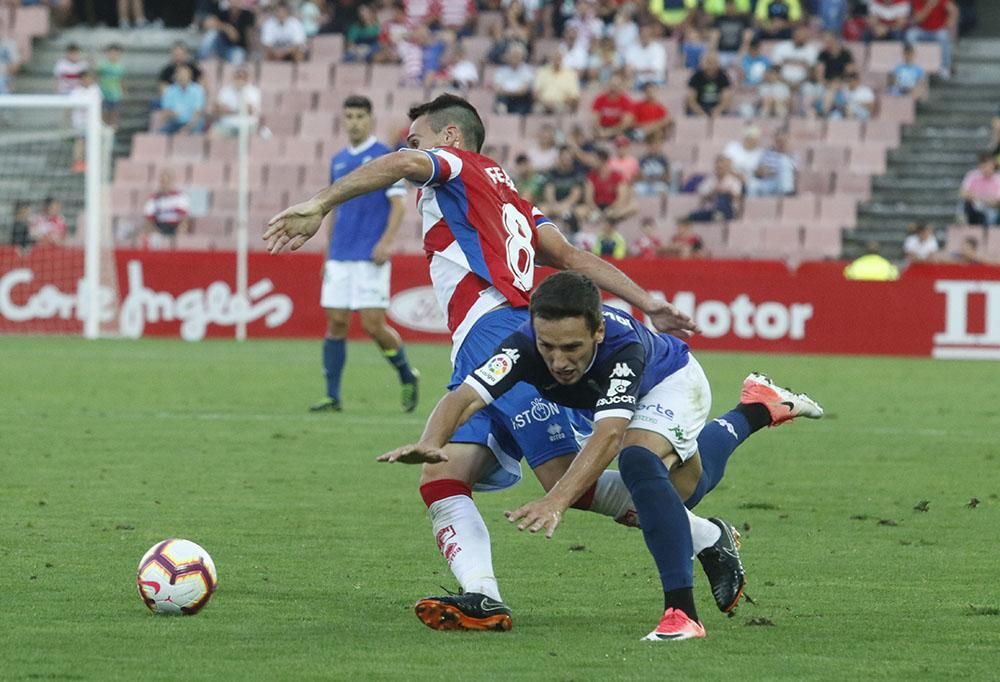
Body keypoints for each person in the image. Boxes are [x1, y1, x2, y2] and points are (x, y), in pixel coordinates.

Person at [265, 93, 750, 632]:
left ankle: (707, 537)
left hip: (499, 332)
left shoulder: (457, 166)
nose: (410, 148)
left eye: (418, 137)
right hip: (480, 336)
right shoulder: (510, 197)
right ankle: (482, 595)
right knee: (441, 474)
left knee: (567, 482)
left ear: (449, 138)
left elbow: (401, 164)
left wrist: (319, 204)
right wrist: (647, 300)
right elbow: (569, 258)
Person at [378, 271, 823, 640]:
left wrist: (556, 500)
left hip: (671, 383)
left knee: (638, 462)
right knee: (679, 495)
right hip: (620, 404)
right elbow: (466, 396)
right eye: (548, 346)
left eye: (572, 348)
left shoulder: (623, 349)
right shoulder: (521, 345)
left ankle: (681, 614)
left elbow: (608, 436)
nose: (558, 361)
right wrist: (433, 440)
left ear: (598, 330)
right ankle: (757, 410)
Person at [311, 95, 418, 414]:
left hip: (370, 254)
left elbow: (399, 204)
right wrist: (328, 252)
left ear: (370, 120)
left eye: (359, 116)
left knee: (373, 325)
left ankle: (406, 373)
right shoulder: (338, 160)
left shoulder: (385, 157)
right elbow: (331, 206)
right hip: (341, 254)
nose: (354, 121)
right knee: (336, 323)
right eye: (349, 115)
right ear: (343, 120)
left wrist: (386, 242)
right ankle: (332, 396)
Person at [905, 0, 957, 79]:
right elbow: (918, 19)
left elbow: (954, 10)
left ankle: (944, 67)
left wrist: (950, 22)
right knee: (910, 35)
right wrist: (929, 5)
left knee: (944, 36)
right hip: (921, 30)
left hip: (937, 30)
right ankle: (914, 66)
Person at [143, 169, 190, 250]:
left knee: (183, 229)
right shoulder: (153, 199)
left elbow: (184, 218)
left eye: (167, 181)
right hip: (159, 227)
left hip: (175, 227)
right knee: (150, 234)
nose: (165, 184)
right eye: (163, 181)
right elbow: (149, 220)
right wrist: (156, 231)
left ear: (172, 181)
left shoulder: (180, 197)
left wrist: (180, 230)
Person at [198, 0, 255, 65]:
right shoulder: (223, 13)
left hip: (237, 48)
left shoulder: (248, 15)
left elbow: (238, 37)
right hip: (222, 46)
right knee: (212, 34)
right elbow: (209, 24)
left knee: (238, 57)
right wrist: (226, 28)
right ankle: (200, 59)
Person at [209, 66, 261, 137]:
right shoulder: (225, 91)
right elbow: (217, 109)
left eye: (242, 77)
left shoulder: (253, 91)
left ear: (247, 78)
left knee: (254, 136)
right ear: (233, 77)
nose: (240, 79)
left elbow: (250, 110)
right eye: (238, 76)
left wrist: (230, 109)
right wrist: (239, 109)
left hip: (248, 125)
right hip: (228, 124)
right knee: (212, 134)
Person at [689, 155, 743, 222]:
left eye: (722, 167)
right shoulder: (710, 180)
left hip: (729, 212)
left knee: (723, 197)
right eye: (718, 167)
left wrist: (726, 191)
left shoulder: (734, 181)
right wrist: (714, 191)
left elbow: (737, 197)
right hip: (712, 210)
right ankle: (717, 215)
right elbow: (702, 194)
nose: (719, 169)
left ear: (728, 168)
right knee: (691, 217)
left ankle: (718, 215)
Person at [159, 65, 206, 135]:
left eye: (184, 75)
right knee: (161, 134)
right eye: (179, 75)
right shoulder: (169, 91)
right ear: (175, 77)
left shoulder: (198, 90)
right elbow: (166, 111)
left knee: (193, 132)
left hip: (194, 122)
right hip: (176, 122)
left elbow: (198, 113)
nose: (182, 77)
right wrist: (171, 114)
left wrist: (187, 128)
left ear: (190, 76)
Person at [686, 52, 732, 118]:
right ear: (703, 64)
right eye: (708, 63)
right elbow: (691, 99)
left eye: (714, 63)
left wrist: (717, 111)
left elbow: (726, 98)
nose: (711, 66)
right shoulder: (696, 76)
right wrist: (701, 113)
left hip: (717, 108)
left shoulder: (723, 76)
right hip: (699, 107)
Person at [959, 152, 1000, 226]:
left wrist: (981, 199)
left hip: (991, 210)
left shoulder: (998, 179)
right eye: (984, 166)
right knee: (965, 205)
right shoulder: (972, 175)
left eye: (989, 166)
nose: (987, 169)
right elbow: (963, 193)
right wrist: (978, 199)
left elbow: (997, 201)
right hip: (973, 207)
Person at [97, 44, 125, 128]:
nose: (113, 56)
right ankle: (103, 129)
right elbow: (98, 77)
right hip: (104, 93)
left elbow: (121, 80)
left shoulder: (120, 67)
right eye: (111, 53)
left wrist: (122, 91)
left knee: (114, 113)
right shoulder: (103, 66)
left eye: (116, 53)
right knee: (104, 112)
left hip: (116, 93)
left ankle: (112, 131)